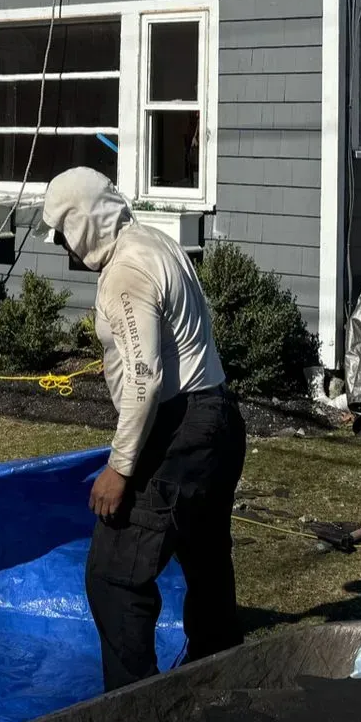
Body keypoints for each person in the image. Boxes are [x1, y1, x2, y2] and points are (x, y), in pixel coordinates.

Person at [39, 166, 243, 691]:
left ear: (82, 222)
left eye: (61, 232)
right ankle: (218, 680)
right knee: (206, 562)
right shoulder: (154, 240)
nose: (60, 245)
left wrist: (119, 468)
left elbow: (145, 378)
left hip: (180, 431)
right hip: (219, 416)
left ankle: (135, 710)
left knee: (115, 577)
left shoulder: (125, 271)